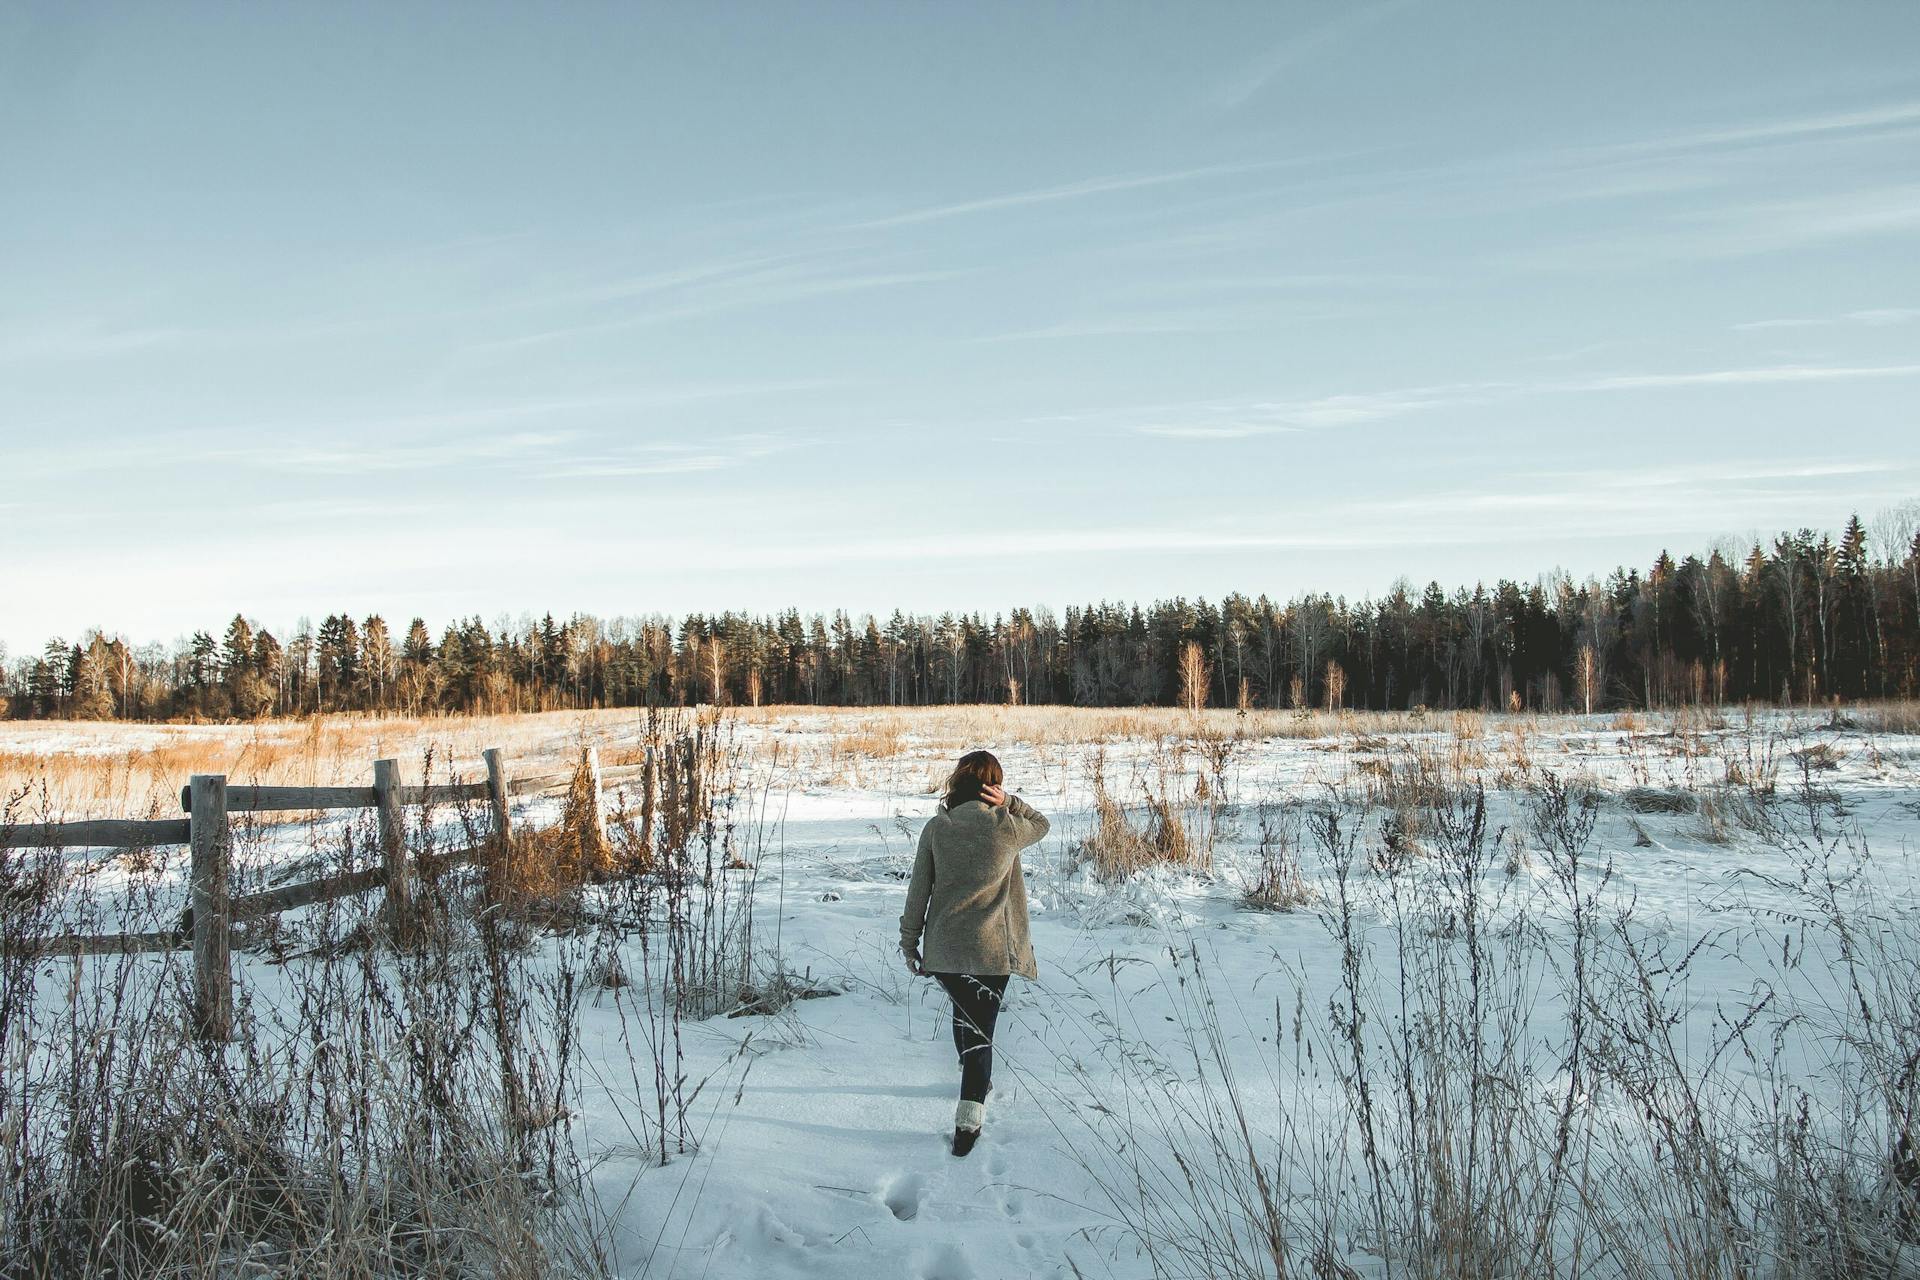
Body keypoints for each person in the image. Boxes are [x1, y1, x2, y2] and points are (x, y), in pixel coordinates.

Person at [898, 749, 1049, 1157]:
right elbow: (1042, 823)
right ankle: (968, 1124)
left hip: (946, 952)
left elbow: (919, 891)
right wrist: (1011, 802)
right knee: (981, 1032)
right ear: (992, 786)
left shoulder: (937, 827)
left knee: (965, 1016)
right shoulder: (1008, 827)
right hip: (992, 951)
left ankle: (973, 1074)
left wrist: (909, 941)